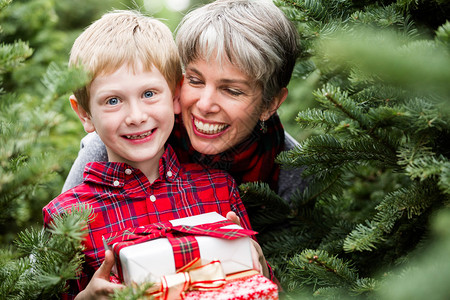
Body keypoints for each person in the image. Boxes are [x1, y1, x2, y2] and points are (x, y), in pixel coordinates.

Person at [43, 10, 268, 300]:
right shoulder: (68, 215)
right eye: (113, 100)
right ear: (85, 114)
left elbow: (256, 285)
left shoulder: (218, 189)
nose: (136, 116)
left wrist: (260, 268)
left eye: (149, 94)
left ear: (175, 96)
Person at [62, 0, 307, 201]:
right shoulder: (120, 144)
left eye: (232, 90)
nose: (204, 104)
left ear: (270, 103)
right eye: (195, 80)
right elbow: (50, 256)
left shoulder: (291, 167)